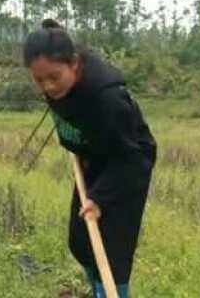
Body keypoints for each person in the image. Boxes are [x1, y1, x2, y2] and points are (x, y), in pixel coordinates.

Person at [23, 19, 157, 297]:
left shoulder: (108, 99)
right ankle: (97, 289)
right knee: (81, 241)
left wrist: (100, 198)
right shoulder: (58, 78)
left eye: (54, 77)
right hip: (93, 159)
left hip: (126, 167)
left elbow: (131, 158)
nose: (48, 86)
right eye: (39, 80)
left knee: (110, 249)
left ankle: (112, 292)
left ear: (73, 64)